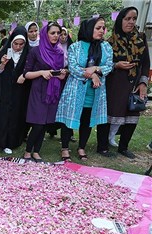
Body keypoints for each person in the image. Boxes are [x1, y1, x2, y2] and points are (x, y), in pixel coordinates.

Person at [56, 17, 114, 161]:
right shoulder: (75, 46)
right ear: (89, 29)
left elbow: (109, 66)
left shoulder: (106, 47)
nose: (101, 31)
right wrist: (92, 75)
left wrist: (96, 69)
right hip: (75, 91)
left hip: (95, 92)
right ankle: (65, 148)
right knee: (69, 120)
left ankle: (81, 147)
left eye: (103, 28)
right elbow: (74, 68)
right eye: (98, 28)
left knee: (87, 120)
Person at [97, 6, 150, 159]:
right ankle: (102, 147)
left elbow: (145, 63)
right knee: (109, 114)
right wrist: (116, 65)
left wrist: (143, 83)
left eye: (134, 18)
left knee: (133, 112)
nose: (131, 22)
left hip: (134, 82)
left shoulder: (140, 38)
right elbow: (104, 63)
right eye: (128, 19)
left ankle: (123, 147)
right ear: (120, 20)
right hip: (115, 83)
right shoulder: (110, 41)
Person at [0, 26, 31, 154]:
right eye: (16, 43)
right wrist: (3, 64)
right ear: (11, 42)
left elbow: (30, 71)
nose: (18, 47)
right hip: (3, 90)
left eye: (21, 44)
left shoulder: (27, 55)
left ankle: (8, 143)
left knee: (14, 117)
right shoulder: (4, 53)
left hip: (18, 92)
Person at [22, 22, 65, 162]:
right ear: (45, 34)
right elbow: (26, 74)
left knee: (45, 123)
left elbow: (58, 72)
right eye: (53, 33)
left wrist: (62, 74)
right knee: (38, 123)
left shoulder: (59, 52)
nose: (56, 36)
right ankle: (28, 151)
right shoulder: (36, 50)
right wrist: (41, 72)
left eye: (58, 33)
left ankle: (36, 152)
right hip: (38, 90)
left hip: (53, 91)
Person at [46, 26, 75, 141]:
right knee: (53, 104)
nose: (62, 37)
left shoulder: (71, 48)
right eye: (60, 34)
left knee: (65, 105)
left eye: (64, 35)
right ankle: (51, 129)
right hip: (54, 79)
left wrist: (67, 70)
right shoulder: (53, 48)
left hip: (66, 80)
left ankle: (69, 133)